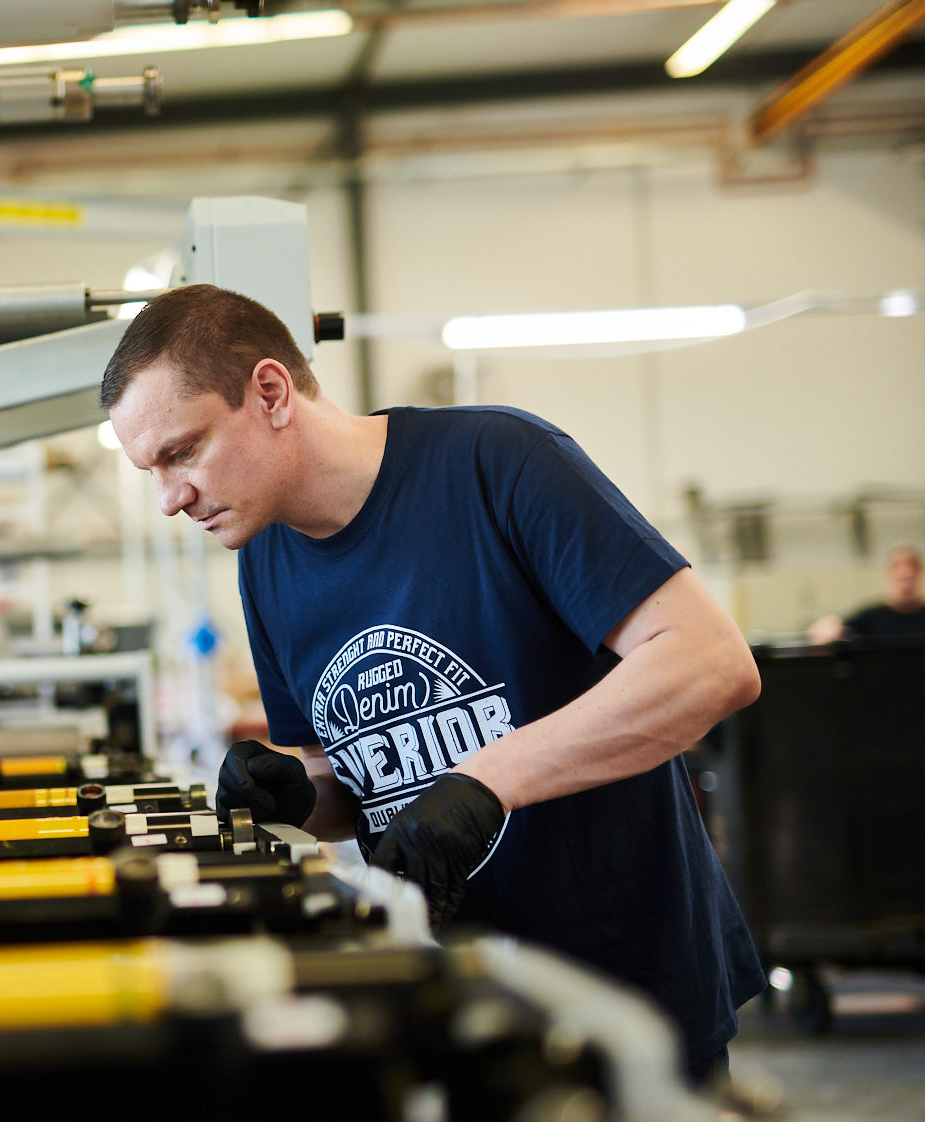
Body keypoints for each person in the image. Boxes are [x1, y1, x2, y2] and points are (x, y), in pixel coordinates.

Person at [101, 285, 764, 1082]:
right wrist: (298, 796)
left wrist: (488, 780)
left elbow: (709, 661)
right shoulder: (266, 565)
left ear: (271, 393)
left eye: (182, 451)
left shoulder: (497, 464)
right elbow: (373, 786)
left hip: (625, 1007)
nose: (171, 498)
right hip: (452, 1010)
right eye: (153, 471)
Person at [806, 544, 925, 644]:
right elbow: (830, 629)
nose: (905, 572)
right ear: (888, 574)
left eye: (912, 566)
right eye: (897, 566)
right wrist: (828, 625)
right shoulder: (871, 617)